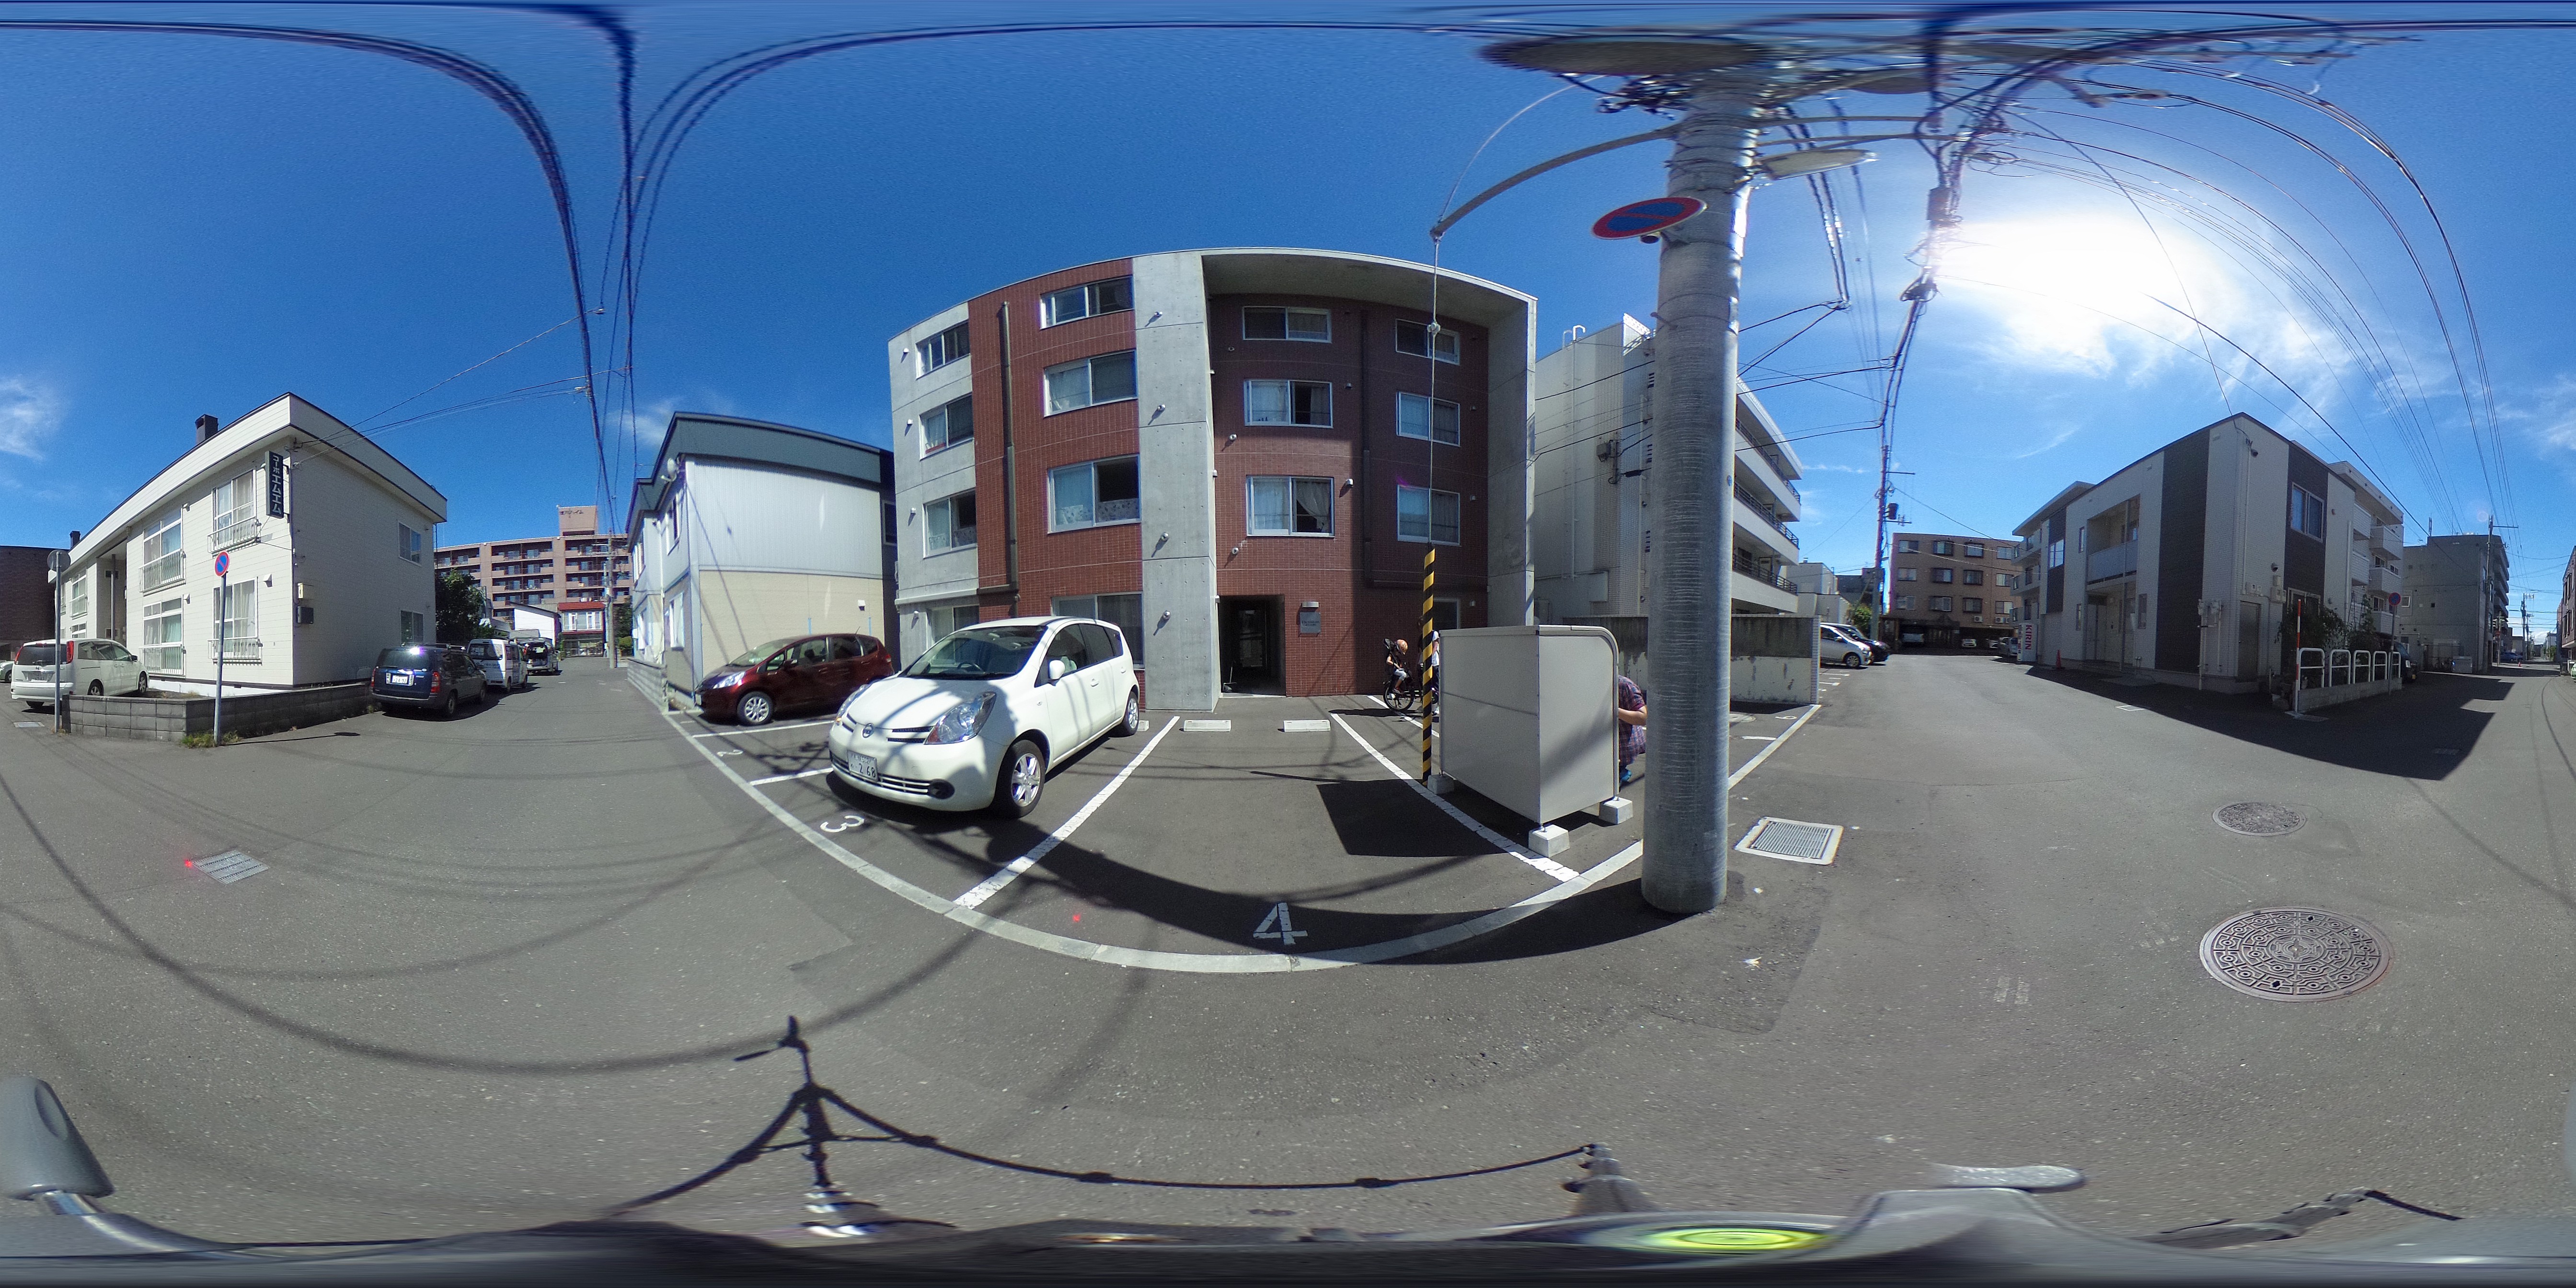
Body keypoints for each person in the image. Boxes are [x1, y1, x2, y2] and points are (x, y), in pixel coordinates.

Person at [1614, 673, 1647, 788]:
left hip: (1623, 746)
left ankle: (1621, 773)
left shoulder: (1624, 685)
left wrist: (1614, 710)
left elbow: (1642, 718)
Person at [1383, 637, 1410, 701]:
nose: (1399, 654)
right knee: (1403, 675)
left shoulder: (1396, 656)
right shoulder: (1391, 654)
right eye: (1399, 652)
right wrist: (1396, 665)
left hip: (1396, 669)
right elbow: (1388, 661)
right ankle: (1396, 687)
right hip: (1393, 670)